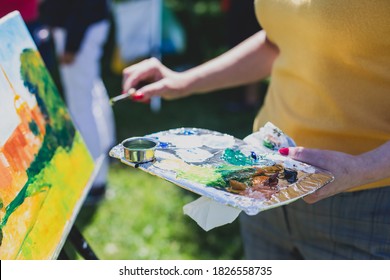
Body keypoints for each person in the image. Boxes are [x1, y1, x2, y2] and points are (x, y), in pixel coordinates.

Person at [121, 0, 390, 259]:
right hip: (263, 182)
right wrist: (183, 81)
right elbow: (278, 40)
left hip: (366, 207)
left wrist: (363, 168)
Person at [40, 0, 116, 205]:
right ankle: (107, 152)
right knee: (92, 91)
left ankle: (95, 182)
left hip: (78, 28)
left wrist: (72, 45)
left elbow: (82, 5)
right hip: (86, 24)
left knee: (81, 106)